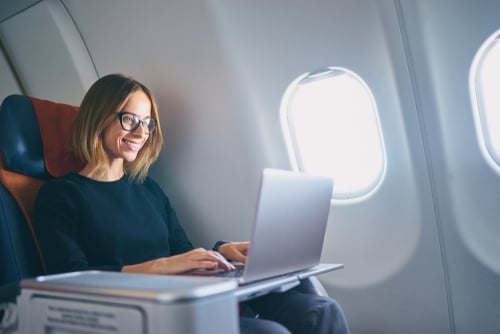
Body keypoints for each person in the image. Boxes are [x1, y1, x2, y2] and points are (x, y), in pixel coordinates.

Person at [33, 73, 350, 334]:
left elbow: (181, 251)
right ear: (98, 118)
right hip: (141, 314)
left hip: (191, 295)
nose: (141, 132)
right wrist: (161, 267)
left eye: (148, 123)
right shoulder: (60, 196)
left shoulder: (149, 190)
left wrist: (222, 251)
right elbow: (73, 280)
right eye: (130, 119)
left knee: (320, 310)